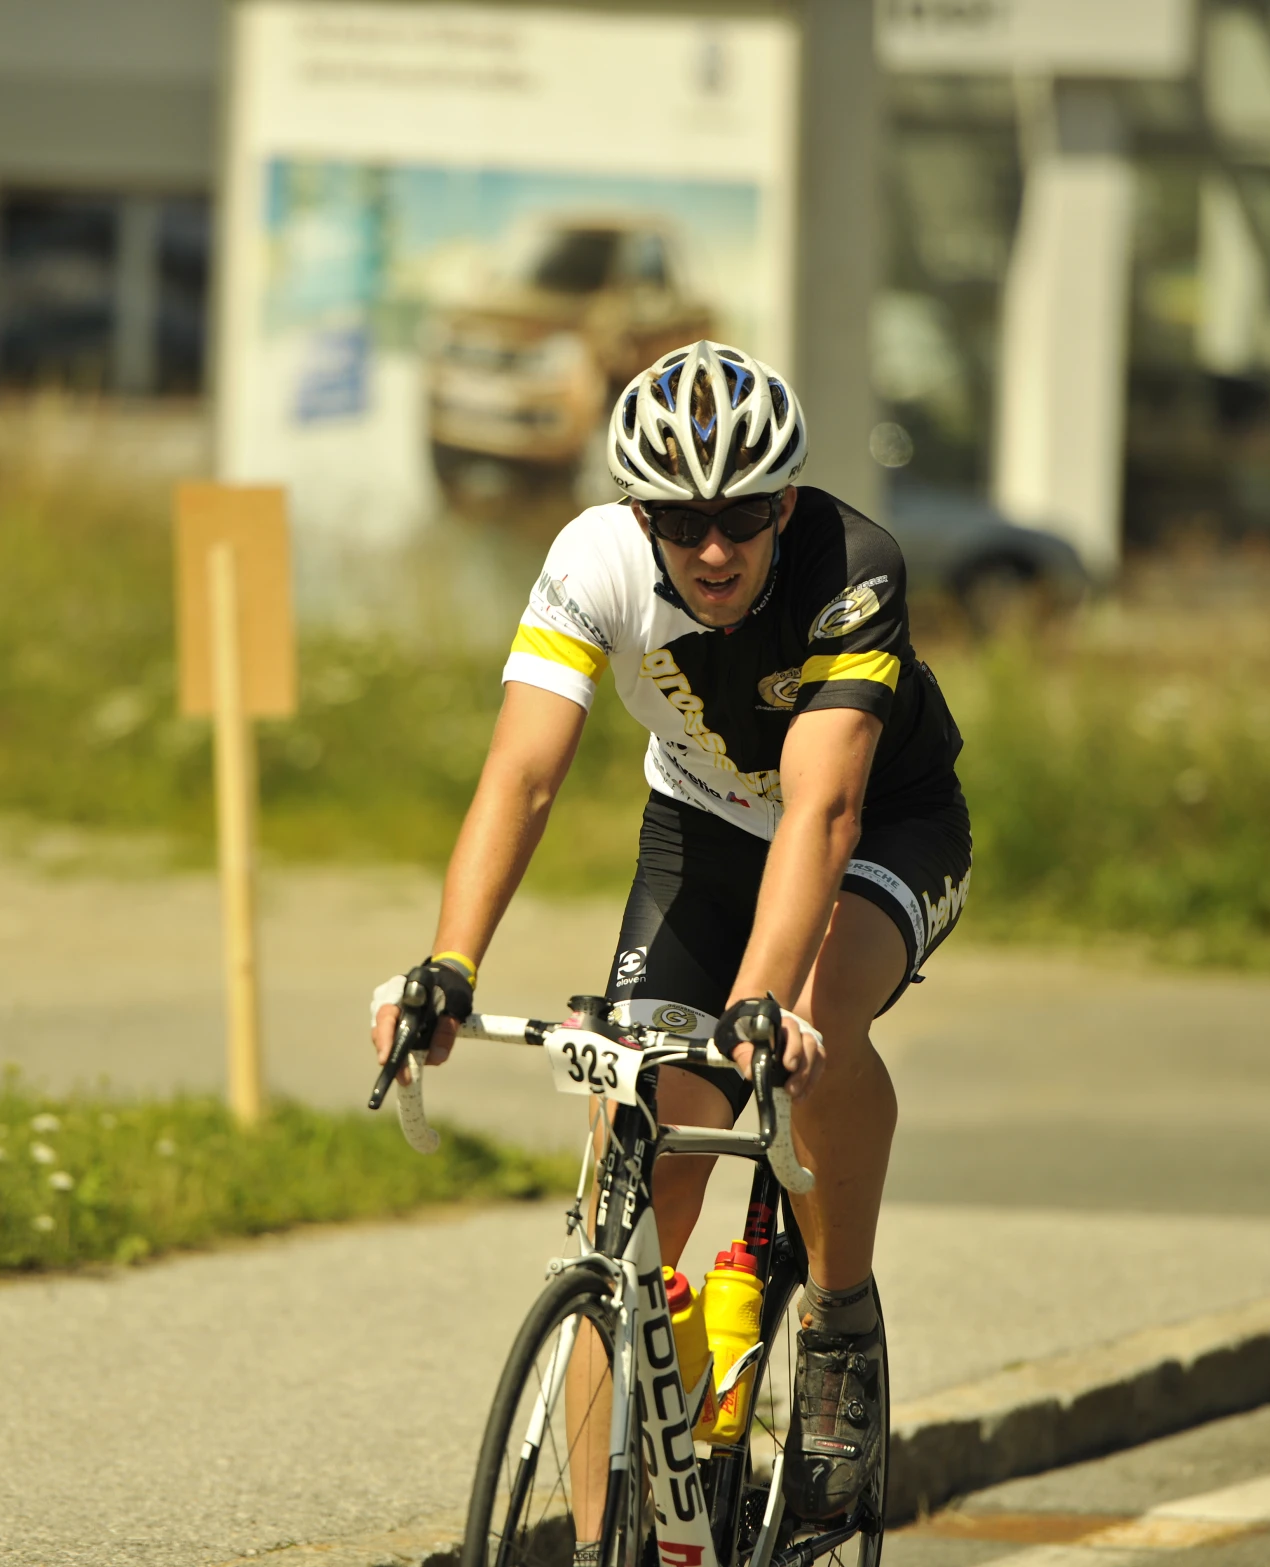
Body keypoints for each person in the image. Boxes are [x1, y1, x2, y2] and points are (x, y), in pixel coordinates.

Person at [370, 340, 970, 1529]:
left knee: (814, 1019)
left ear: (784, 501)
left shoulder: (850, 567)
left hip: (876, 829)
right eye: (678, 518)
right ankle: (610, 1538)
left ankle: (838, 1317)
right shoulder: (590, 561)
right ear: (637, 509)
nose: (710, 550)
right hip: (699, 824)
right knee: (632, 1185)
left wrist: (760, 1002)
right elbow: (523, 775)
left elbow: (822, 808)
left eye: (742, 517)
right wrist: (448, 963)